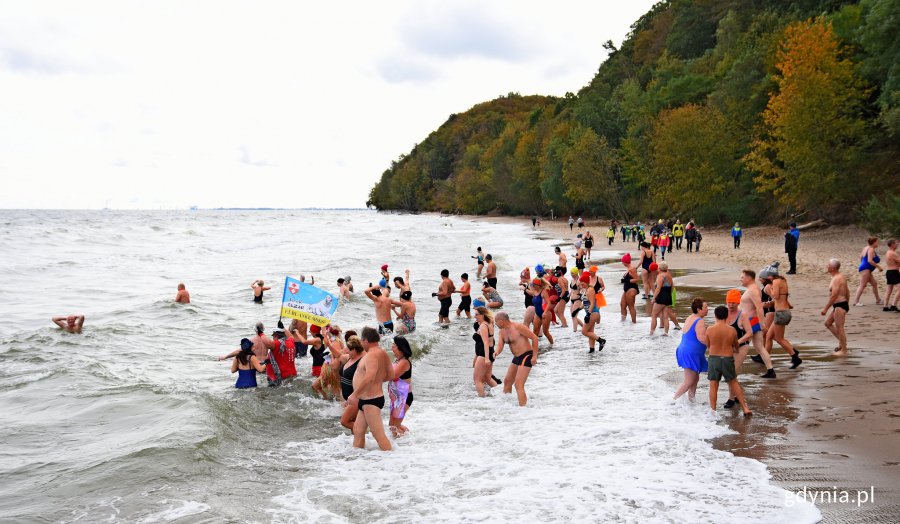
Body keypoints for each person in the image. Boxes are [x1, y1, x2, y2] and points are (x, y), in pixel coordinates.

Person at [349, 327, 393, 451]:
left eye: (362, 341)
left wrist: (354, 395)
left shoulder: (372, 355)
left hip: (371, 400)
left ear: (366, 340)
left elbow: (369, 377)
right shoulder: (382, 352)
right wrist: (378, 381)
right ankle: (358, 460)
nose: (362, 343)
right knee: (358, 431)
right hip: (368, 399)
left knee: (378, 435)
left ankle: (394, 462)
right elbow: (391, 375)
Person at [705, 306, 752, 416]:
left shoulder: (709, 329)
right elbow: (735, 346)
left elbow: (708, 345)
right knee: (733, 382)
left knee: (713, 384)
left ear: (715, 316)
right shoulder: (732, 330)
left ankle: (713, 411)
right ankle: (745, 408)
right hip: (727, 359)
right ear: (726, 316)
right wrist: (733, 349)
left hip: (714, 359)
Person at [494, 312, 539, 406]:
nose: (495, 324)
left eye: (496, 322)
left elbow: (534, 338)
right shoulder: (502, 331)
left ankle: (523, 409)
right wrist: (496, 352)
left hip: (527, 355)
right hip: (516, 357)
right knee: (507, 381)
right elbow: (500, 345)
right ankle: (507, 404)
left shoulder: (518, 327)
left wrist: (534, 356)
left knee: (518, 384)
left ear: (501, 321)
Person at [739, 269, 776, 378]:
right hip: (751, 321)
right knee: (759, 347)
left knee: (740, 345)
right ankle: (770, 370)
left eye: (742, 277)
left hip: (750, 322)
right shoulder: (752, 289)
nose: (740, 279)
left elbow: (759, 307)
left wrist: (762, 323)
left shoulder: (753, 290)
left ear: (749, 278)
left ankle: (733, 369)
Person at [673, 298, 709, 401]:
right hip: (690, 353)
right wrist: (713, 347)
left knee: (695, 378)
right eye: (705, 307)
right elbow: (702, 338)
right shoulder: (700, 321)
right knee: (689, 380)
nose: (707, 309)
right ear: (699, 309)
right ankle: (673, 401)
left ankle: (691, 400)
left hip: (685, 350)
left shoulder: (690, 317)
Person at [764, 274, 802, 369]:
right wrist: (769, 303)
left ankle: (795, 357)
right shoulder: (782, 281)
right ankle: (764, 358)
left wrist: (770, 289)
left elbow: (775, 296)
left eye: (767, 276)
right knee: (769, 336)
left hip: (781, 313)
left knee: (779, 339)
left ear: (770, 275)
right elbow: (782, 299)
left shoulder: (776, 281)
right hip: (783, 312)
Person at [822, 259, 850, 356]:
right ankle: (842, 344)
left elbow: (834, 295)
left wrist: (825, 309)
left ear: (833, 268)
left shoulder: (837, 278)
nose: (827, 266)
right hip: (841, 304)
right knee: (828, 323)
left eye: (828, 265)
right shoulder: (838, 276)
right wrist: (847, 303)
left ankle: (844, 350)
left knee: (840, 328)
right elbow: (847, 291)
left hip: (840, 305)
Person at [388, 336, 414, 437]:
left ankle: (403, 446)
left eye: (394, 345)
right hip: (397, 399)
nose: (392, 347)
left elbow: (392, 375)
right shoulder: (397, 361)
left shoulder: (404, 362)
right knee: (392, 425)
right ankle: (408, 436)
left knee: (394, 427)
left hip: (404, 398)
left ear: (400, 348)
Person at [338, 334, 365, 429]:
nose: (347, 351)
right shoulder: (349, 357)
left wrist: (353, 396)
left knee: (344, 421)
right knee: (354, 422)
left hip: (356, 398)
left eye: (349, 349)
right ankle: (361, 439)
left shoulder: (362, 360)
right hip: (350, 399)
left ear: (355, 349)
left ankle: (365, 432)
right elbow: (337, 355)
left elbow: (364, 381)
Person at [472, 307, 500, 397]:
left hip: (484, 355)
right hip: (487, 353)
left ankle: (481, 398)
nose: (474, 316)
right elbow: (490, 341)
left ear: (483, 315)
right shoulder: (489, 323)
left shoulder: (484, 325)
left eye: (476, 315)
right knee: (487, 378)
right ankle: (501, 394)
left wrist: (487, 358)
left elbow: (486, 342)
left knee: (477, 380)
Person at [578, 272, 606, 352]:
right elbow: (586, 303)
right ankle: (592, 350)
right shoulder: (586, 290)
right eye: (580, 282)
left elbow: (593, 303)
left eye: (582, 282)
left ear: (586, 282)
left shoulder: (590, 290)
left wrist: (588, 315)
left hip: (593, 313)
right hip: (590, 313)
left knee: (584, 331)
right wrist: (578, 309)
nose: (581, 283)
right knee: (590, 332)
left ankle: (601, 340)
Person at [853, 236, 883, 307]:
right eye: (877, 242)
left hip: (865, 268)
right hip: (865, 269)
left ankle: (878, 299)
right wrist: (879, 267)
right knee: (863, 285)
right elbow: (869, 260)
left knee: (874, 283)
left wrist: (863, 265)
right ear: (874, 242)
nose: (878, 243)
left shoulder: (866, 248)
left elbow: (860, 257)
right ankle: (856, 301)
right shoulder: (871, 249)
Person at [650, 262, 674, 336]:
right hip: (668, 297)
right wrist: (669, 295)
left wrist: (653, 298)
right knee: (665, 317)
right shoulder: (669, 276)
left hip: (661, 297)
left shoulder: (660, 276)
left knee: (654, 315)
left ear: (659, 268)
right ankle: (666, 333)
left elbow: (658, 288)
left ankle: (651, 333)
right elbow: (672, 287)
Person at [620, 253, 639, 323]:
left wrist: (626, 280)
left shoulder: (632, 269)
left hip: (631, 289)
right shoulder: (628, 268)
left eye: (622, 261)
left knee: (631, 306)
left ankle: (634, 322)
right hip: (627, 288)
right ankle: (623, 322)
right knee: (622, 304)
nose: (622, 263)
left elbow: (637, 279)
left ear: (625, 262)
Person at [884, 239, 900, 312]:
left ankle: (885, 306)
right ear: (892, 244)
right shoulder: (893, 253)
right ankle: (893, 305)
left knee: (889, 290)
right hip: (893, 272)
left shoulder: (888, 252)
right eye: (896, 243)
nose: (897, 244)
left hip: (889, 272)